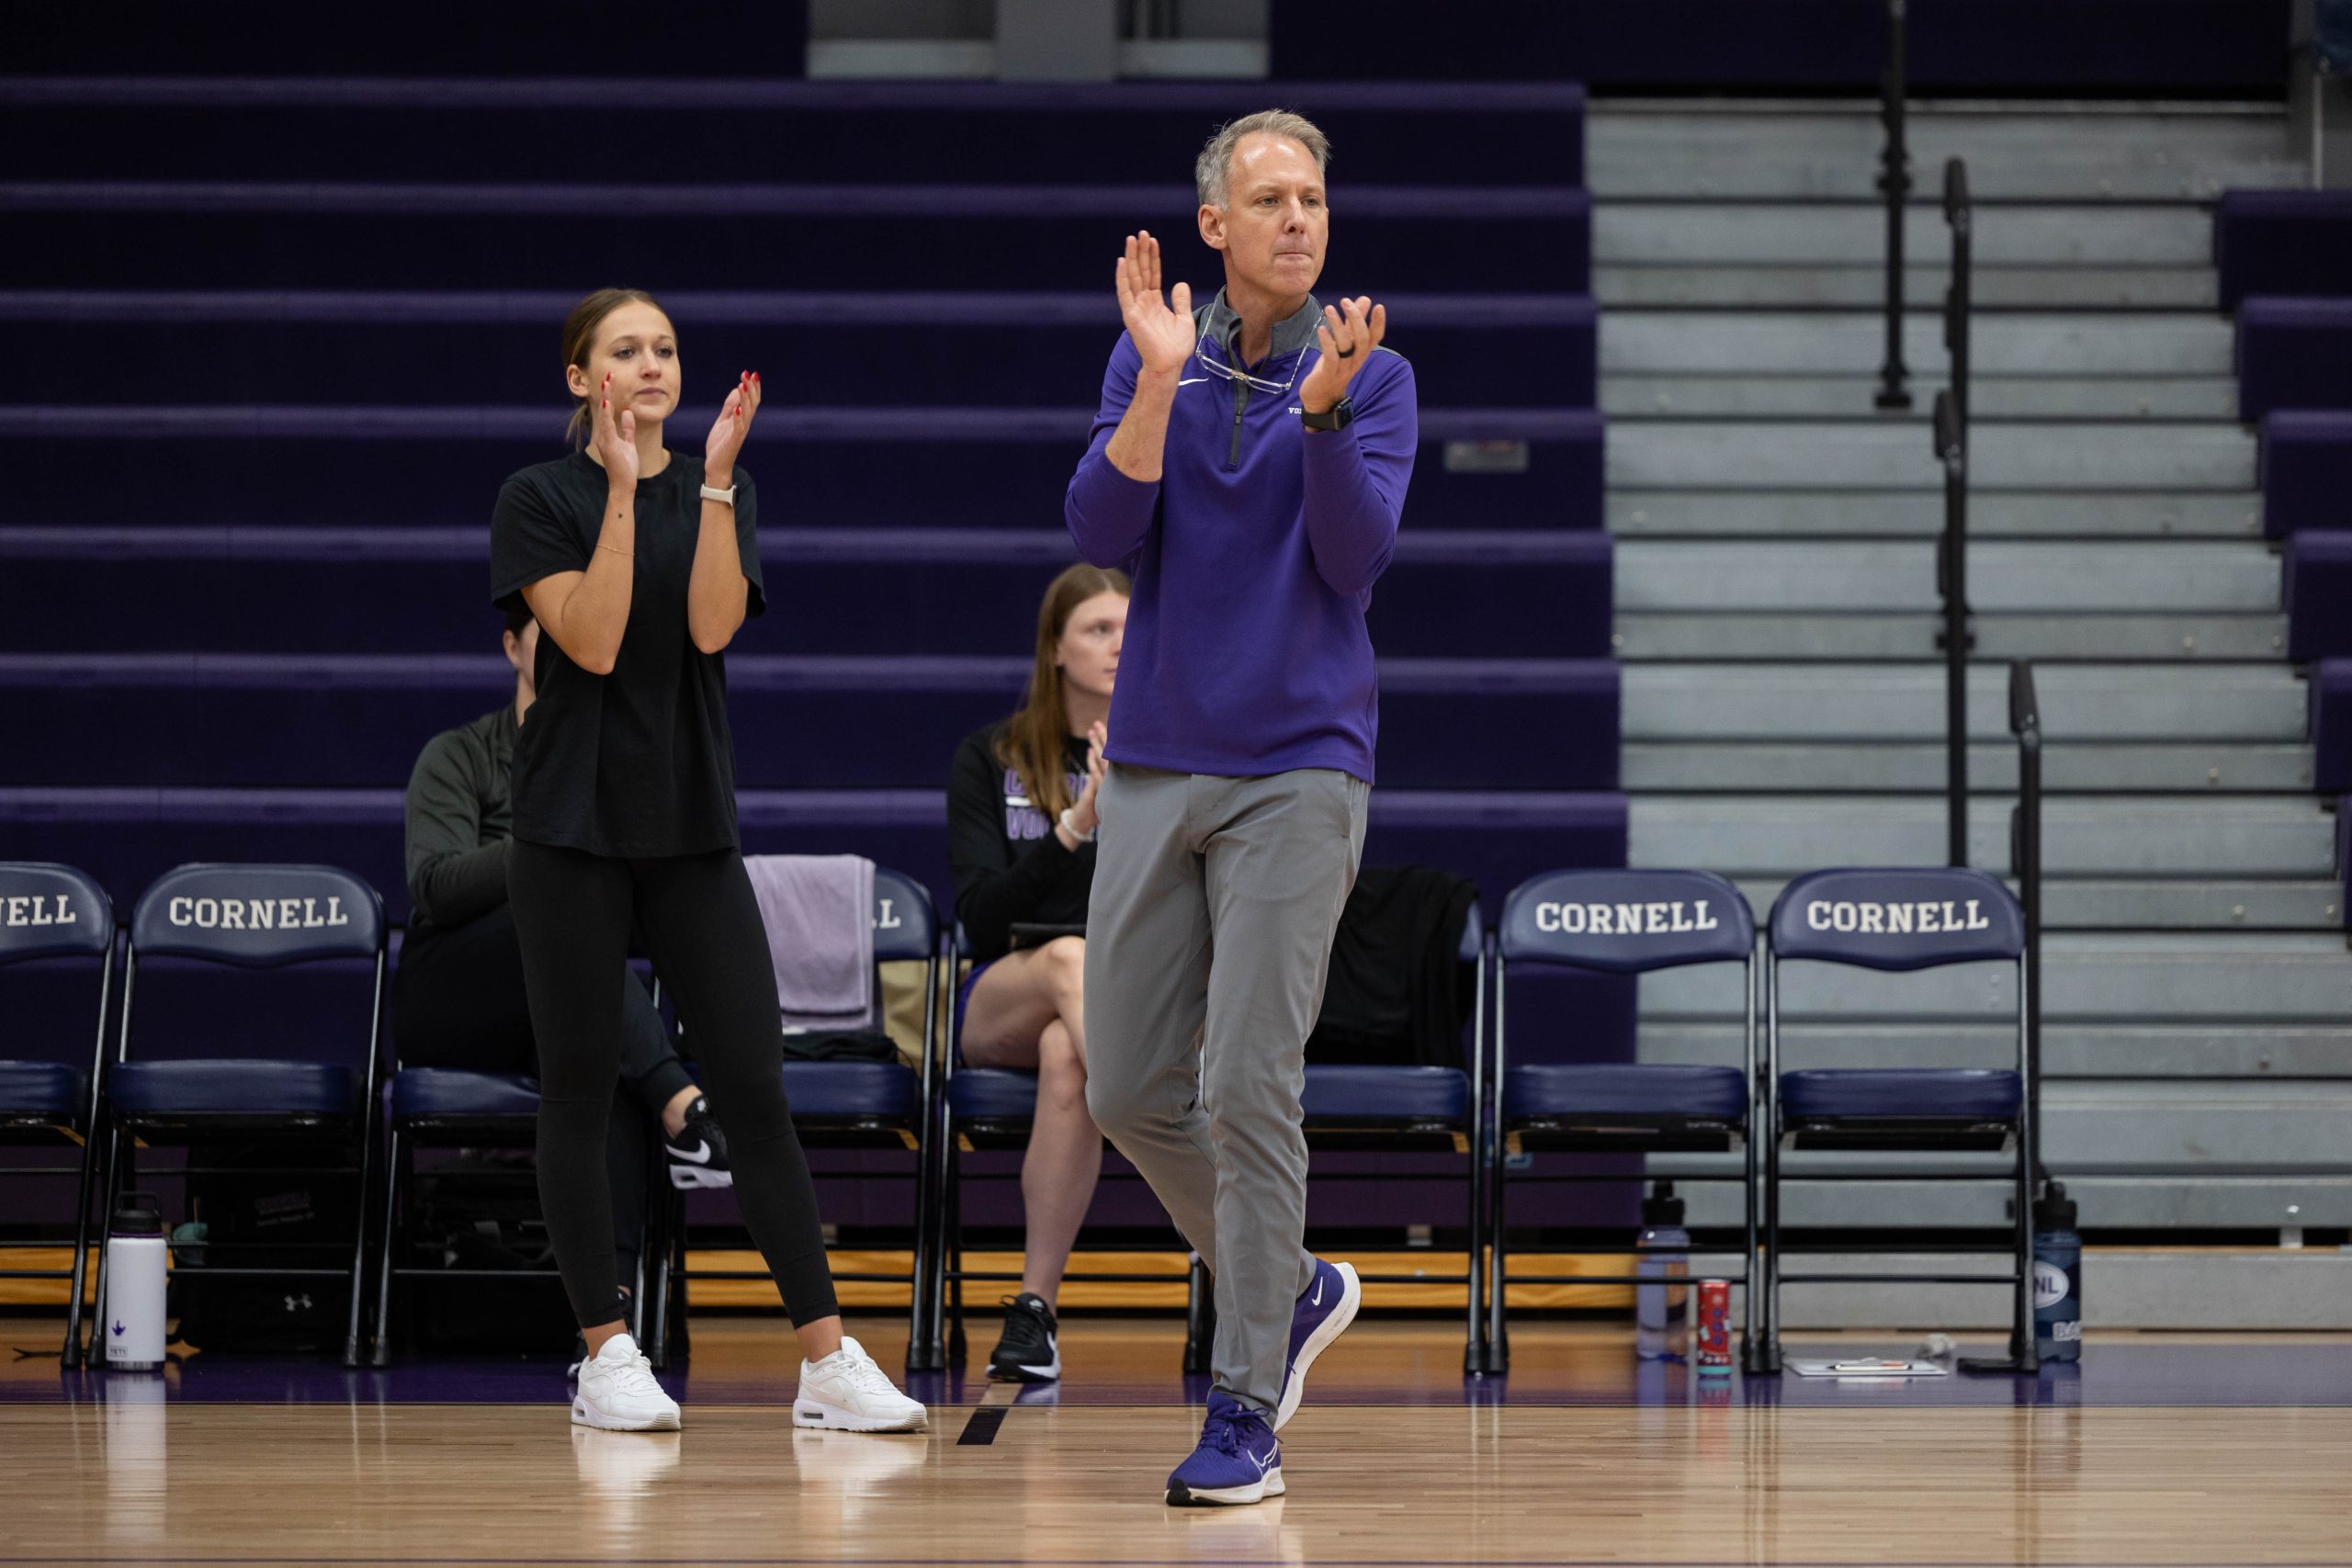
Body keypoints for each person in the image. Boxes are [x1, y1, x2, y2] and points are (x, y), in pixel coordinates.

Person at [489, 287, 925, 1435]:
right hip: (568, 830)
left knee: (754, 1089)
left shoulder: (718, 486)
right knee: (580, 1094)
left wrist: (716, 480)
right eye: (623, 351)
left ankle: (826, 1361)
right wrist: (626, 486)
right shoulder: (536, 498)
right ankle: (606, 1352)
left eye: (665, 349)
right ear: (580, 380)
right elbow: (586, 636)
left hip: (690, 825)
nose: (650, 366)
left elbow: (713, 628)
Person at [1064, 110, 1417, 1506]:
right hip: (1154, 756)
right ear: (1213, 225)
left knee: (1249, 1079)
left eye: (1314, 198)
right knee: (1132, 1082)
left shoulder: (1371, 372)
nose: (1298, 220)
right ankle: (1299, 1279)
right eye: (1267, 198)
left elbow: (1354, 553)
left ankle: (1247, 1402)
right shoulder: (1151, 350)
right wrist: (1152, 381)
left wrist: (1324, 409)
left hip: (1301, 765)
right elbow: (1100, 531)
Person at [394, 609, 735, 1332]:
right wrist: (545, 853)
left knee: (597, 1057)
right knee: (552, 907)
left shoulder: (615, 765)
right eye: (551, 635)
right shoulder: (458, 756)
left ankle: (612, 1326)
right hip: (454, 992)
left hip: (564, 995)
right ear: (513, 645)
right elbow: (436, 886)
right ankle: (683, 1100)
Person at [944, 562, 1127, 1383]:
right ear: (1055, 648)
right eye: (1098, 629)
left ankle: (1034, 1312)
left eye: (1131, 628)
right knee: (1065, 959)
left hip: (1117, 1001)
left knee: (1068, 1053)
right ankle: (1171, 1127)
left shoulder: (1172, 755)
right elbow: (980, 918)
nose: (1119, 646)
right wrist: (1074, 828)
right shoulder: (992, 757)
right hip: (1003, 994)